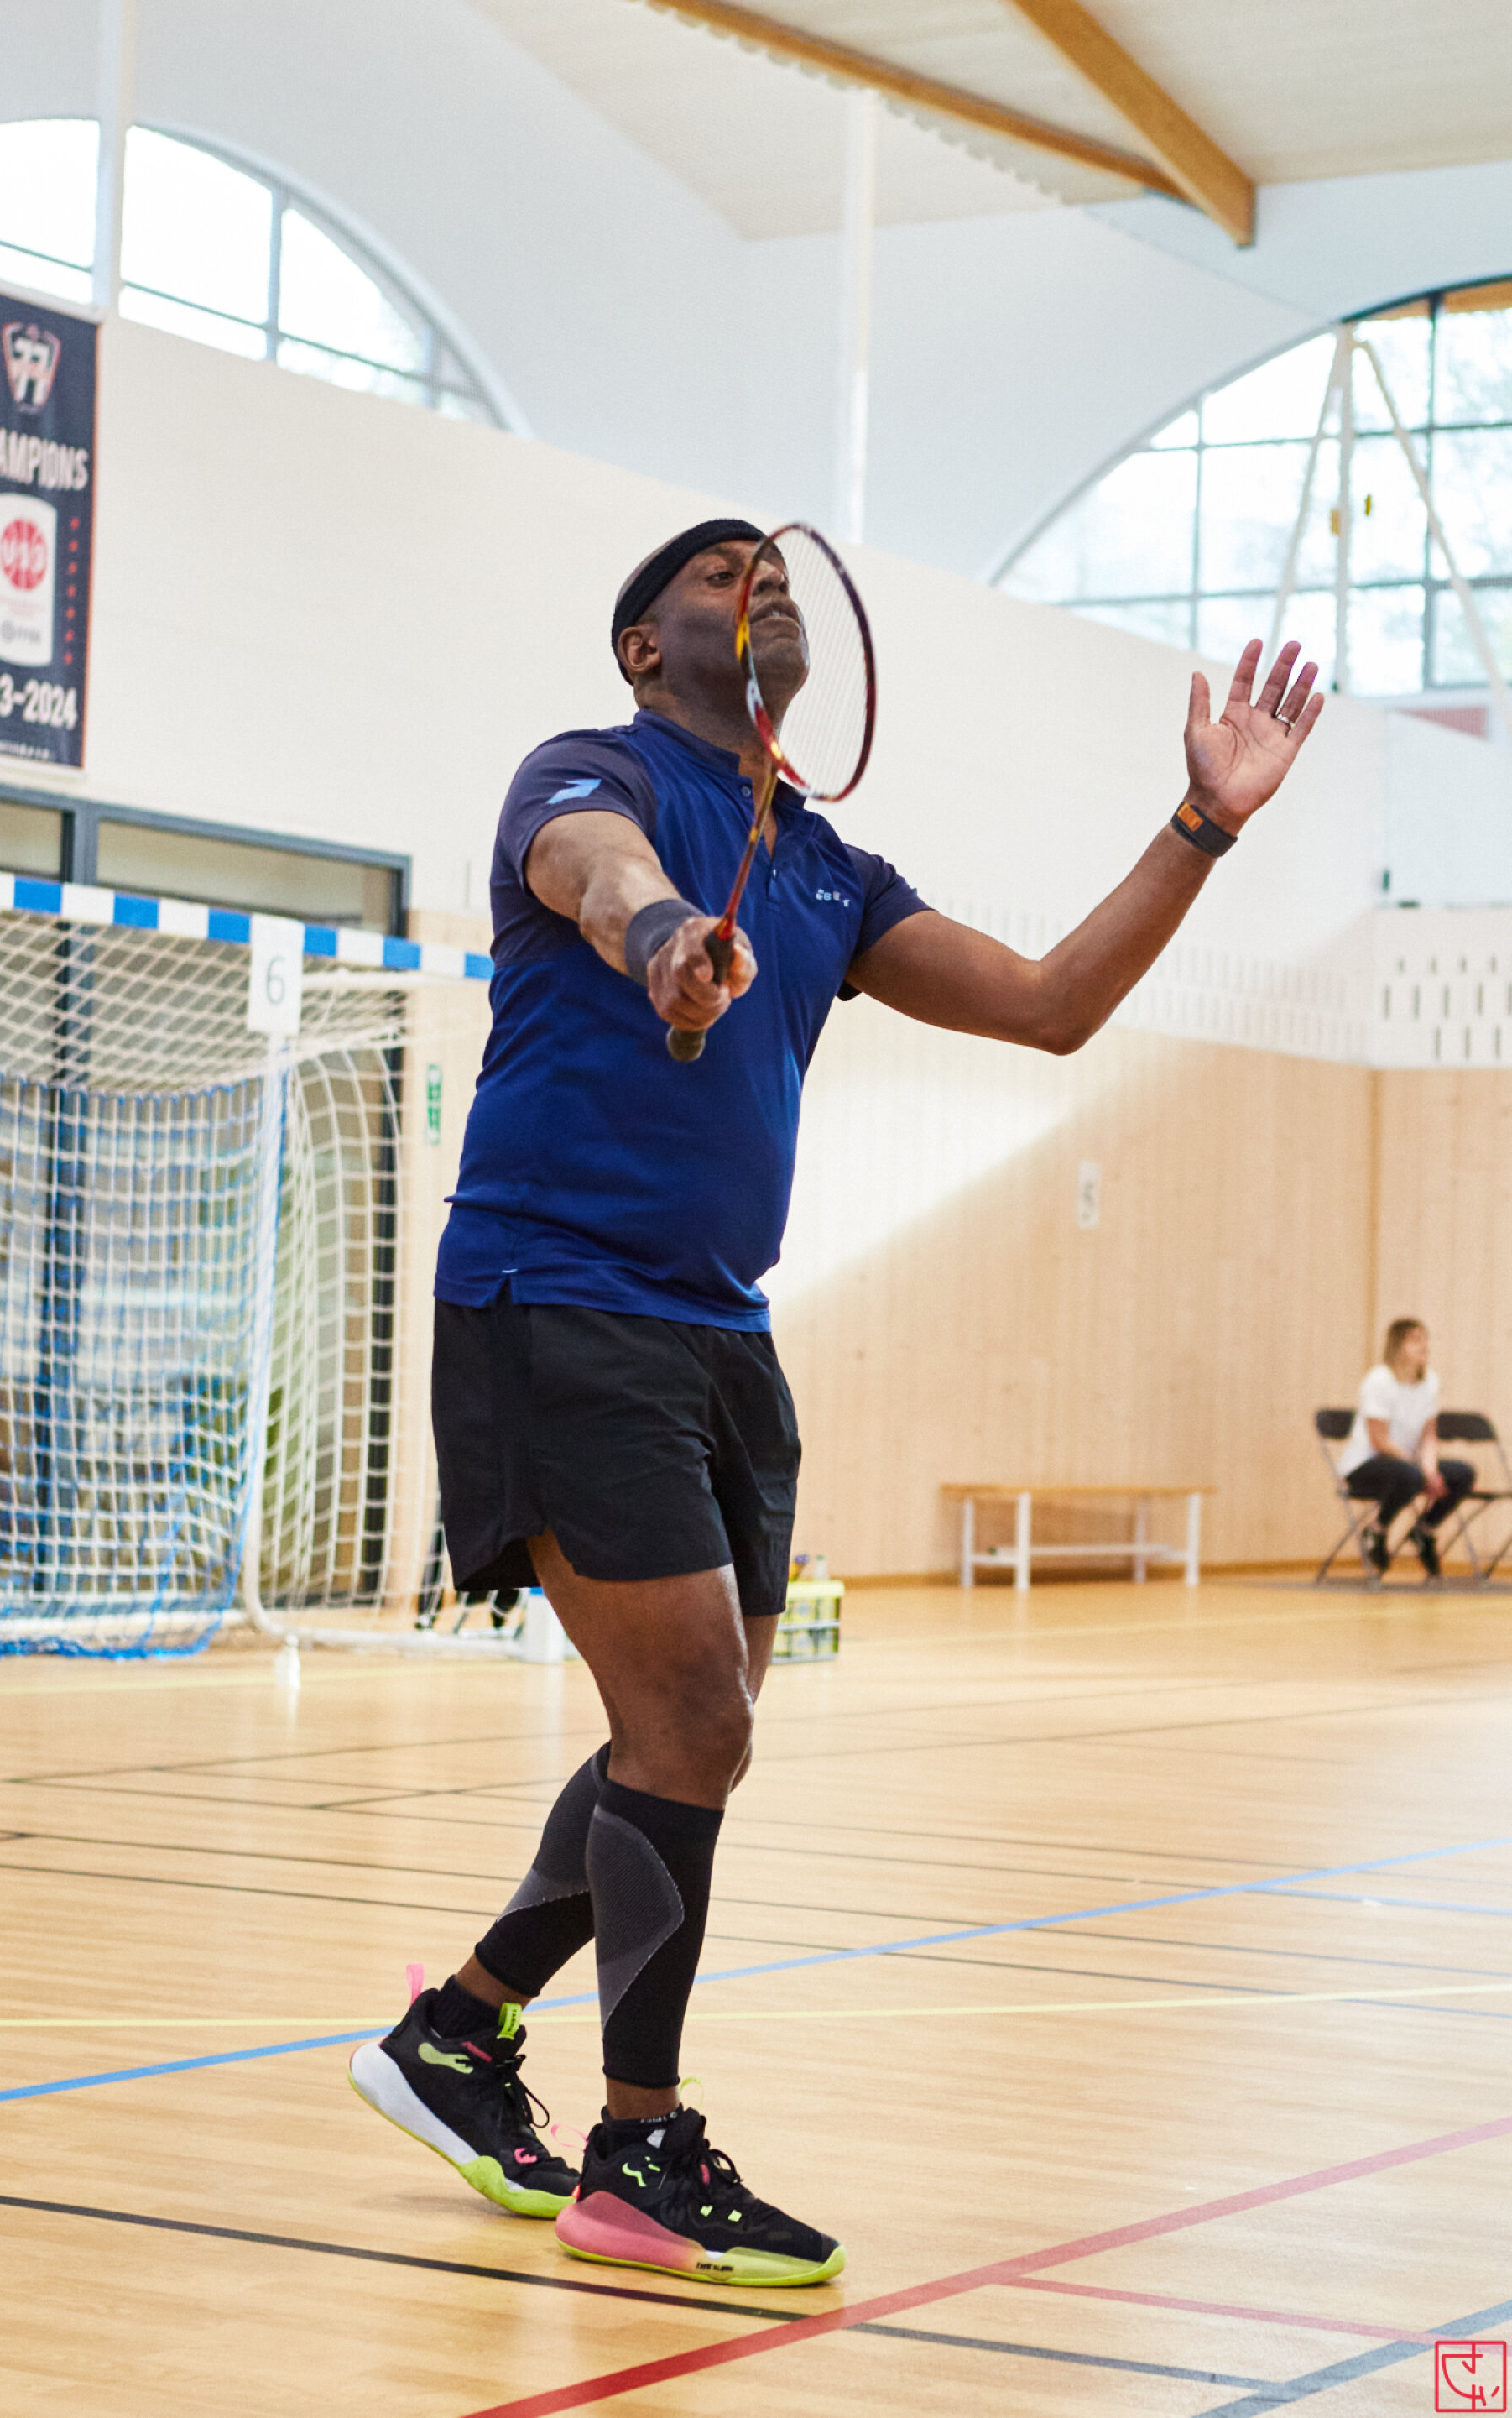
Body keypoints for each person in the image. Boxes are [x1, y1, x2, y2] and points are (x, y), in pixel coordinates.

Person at [348, 517, 1324, 2288]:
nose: (762, 580)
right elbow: (594, 872)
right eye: (722, 573)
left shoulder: (828, 869)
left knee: (694, 1729)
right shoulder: (589, 771)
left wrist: (1204, 822)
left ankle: (459, 2031)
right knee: (689, 1715)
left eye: (775, 570)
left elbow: (1052, 1006)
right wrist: (661, 936)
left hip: (723, 1332)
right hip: (559, 1300)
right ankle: (638, 2151)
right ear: (646, 647)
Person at [1340, 1319, 1473, 1578]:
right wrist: (1420, 1470)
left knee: (1462, 1473)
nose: (1424, 1346)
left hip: (1408, 1466)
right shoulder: (1379, 1380)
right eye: (1415, 1340)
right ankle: (1377, 1530)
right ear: (1397, 1346)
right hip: (1367, 1465)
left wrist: (1430, 1471)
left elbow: (1429, 1436)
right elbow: (1380, 1442)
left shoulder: (1430, 1381)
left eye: (1425, 1339)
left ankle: (1424, 1530)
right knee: (1410, 1475)